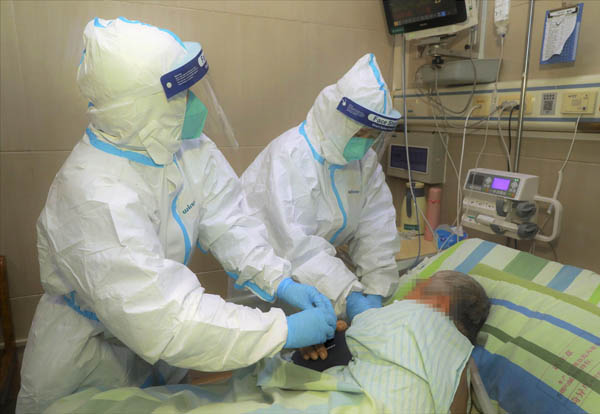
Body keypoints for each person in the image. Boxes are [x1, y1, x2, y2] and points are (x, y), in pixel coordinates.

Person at [17, 17, 335, 414]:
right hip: (88, 363)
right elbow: (168, 317)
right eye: (182, 93)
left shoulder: (185, 147)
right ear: (139, 107)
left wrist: (280, 280)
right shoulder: (92, 195)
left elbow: (232, 225)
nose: (195, 104)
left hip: (161, 353)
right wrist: (282, 330)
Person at [241, 54, 402, 327]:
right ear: (339, 121)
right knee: (269, 344)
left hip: (321, 282)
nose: (365, 143)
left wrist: (377, 288)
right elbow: (296, 246)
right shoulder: (290, 157)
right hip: (270, 280)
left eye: (372, 136)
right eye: (359, 133)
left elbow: (377, 227)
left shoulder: (364, 163)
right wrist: (350, 295)